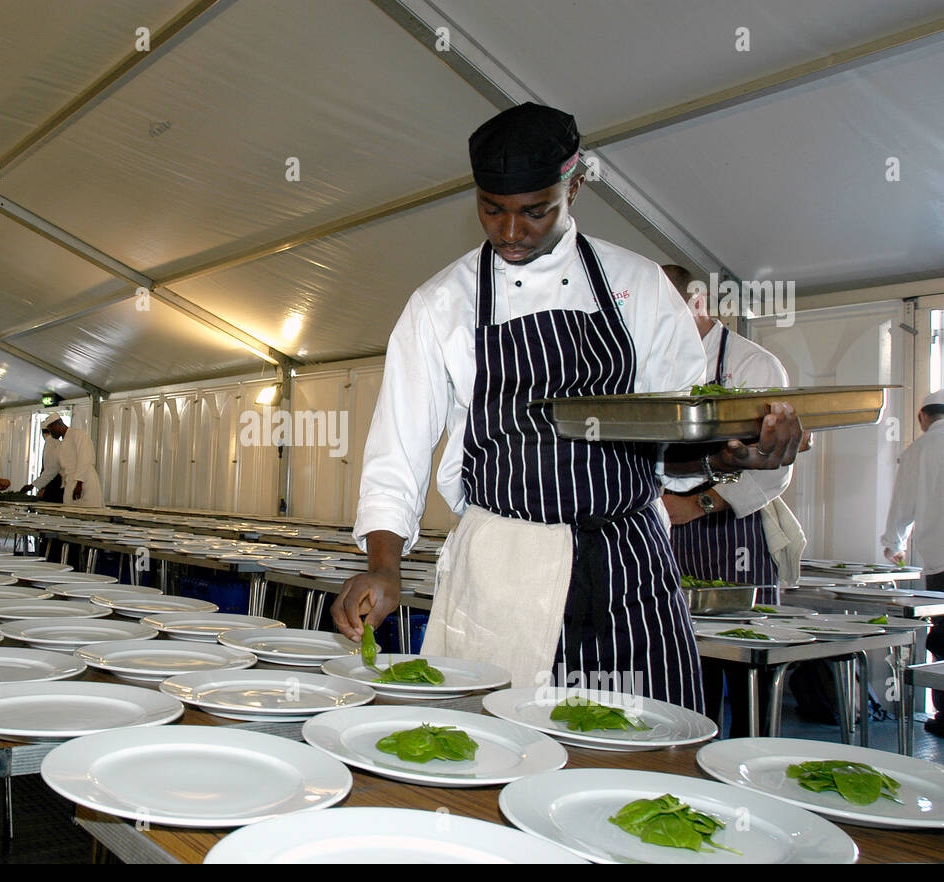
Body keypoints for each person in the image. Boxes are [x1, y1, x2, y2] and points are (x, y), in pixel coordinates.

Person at [330, 103, 806, 711]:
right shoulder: (441, 304)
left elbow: (679, 442)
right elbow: (396, 454)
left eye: (535, 211)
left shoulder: (639, 288)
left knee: (647, 753)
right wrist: (384, 567)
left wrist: (740, 452)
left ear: (575, 186)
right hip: (504, 564)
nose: (510, 231)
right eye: (491, 209)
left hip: (630, 563)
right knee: (494, 749)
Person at [659, 264, 797, 734]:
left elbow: (776, 465)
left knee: (744, 667)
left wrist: (699, 504)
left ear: (697, 303)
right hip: (668, 534)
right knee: (684, 667)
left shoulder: (755, 365)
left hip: (732, 530)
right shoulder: (656, 365)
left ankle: (750, 768)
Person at [882, 389, 944, 735]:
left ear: (923, 417)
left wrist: (893, 543)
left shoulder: (921, 449)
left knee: (943, 639)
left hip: (941, 560)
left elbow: (903, 503)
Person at [22, 413, 103, 507]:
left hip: (85, 481)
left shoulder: (77, 434)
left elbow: (85, 458)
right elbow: (52, 469)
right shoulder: (61, 444)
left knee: (88, 512)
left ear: (57, 425)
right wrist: (33, 485)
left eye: (51, 430)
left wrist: (79, 483)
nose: (51, 434)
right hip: (71, 482)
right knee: (70, 511)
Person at [21, 426, 64, 502]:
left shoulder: (50, 442)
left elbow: (51, 469)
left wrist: (33, 485)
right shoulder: (57, 443)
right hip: (55, 481)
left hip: (55, 483)